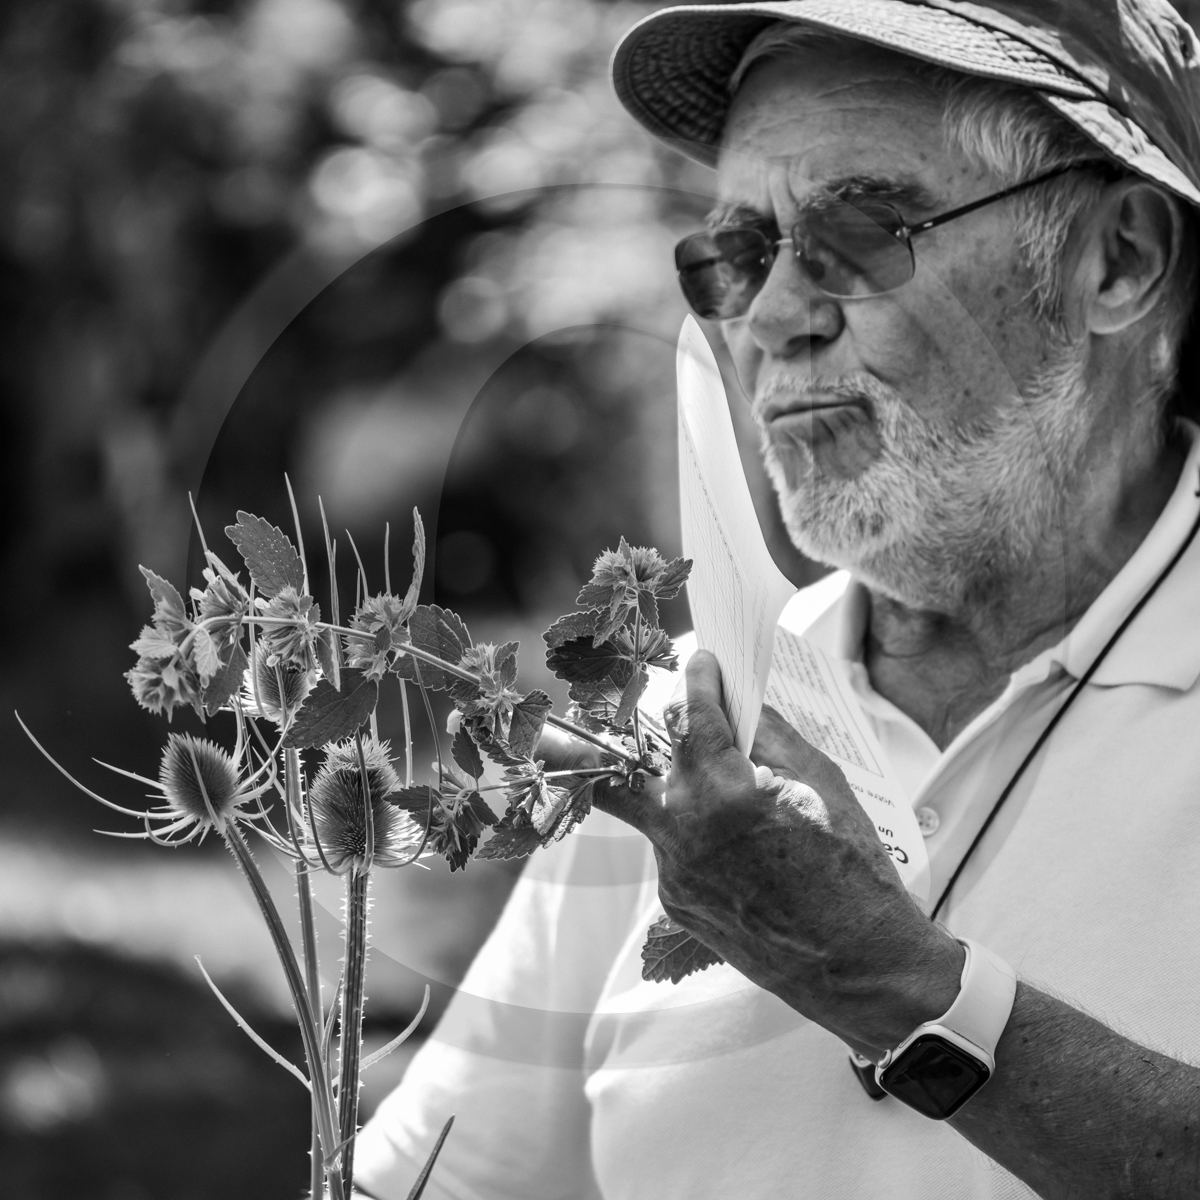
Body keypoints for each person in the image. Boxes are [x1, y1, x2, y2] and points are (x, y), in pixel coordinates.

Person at [354, 2, 1200, 1196]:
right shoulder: (687, 734)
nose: (771, 317)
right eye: (741, 254)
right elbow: (440, 1180)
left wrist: (898, 989)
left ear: (1117, 260)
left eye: (860, 230)